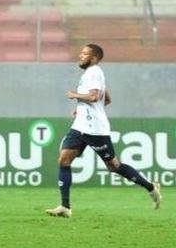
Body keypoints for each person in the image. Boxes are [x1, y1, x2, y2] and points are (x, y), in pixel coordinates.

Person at [46, 44, 161, 218]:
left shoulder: (94, 72)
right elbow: (106, 98)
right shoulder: (91, 74)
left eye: (84, 53)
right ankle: (65, 206)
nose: (80, 55)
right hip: (80, 126)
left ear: (93, 58)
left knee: (114, 166)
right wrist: (82, 110)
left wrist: (75, 96)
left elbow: (94, 96)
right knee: (64, 159)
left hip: (95, 130)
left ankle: (150, 187)